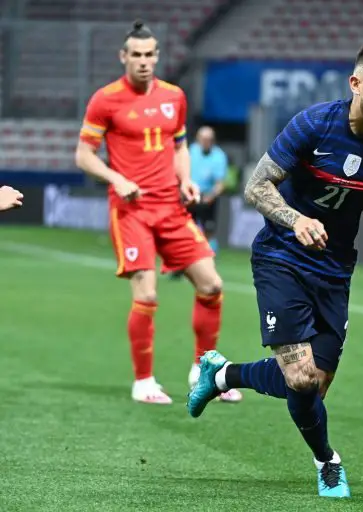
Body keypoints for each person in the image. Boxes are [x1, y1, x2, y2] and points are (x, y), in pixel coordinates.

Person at [187, 42, 363, 498]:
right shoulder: (314, 124)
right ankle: (328, 462)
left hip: (335, 270)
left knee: (315, 388)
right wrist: (296, 220)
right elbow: (256, 187)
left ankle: (223, 375)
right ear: (356, 83)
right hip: (282, 258)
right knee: (301, 378)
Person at [74, 20, 242, 406]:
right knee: (147, 294)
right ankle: (143, 381)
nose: (144, 61)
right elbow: (83, 155)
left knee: (211, 285)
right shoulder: (105, 100)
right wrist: (116, 178)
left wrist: (186, 179)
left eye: (150, 54)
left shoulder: (174, 97)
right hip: (131, 210)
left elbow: (179, 146)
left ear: (157, 56)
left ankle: (203, 371)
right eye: (136, 54)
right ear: (123, 56)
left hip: (171, 207)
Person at [169, 126, 228, 279]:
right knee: (186, 230)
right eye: (203, 139)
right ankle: (181, 265)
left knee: (208, 233)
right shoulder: (191, 151)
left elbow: (220, 183)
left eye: (209, 139)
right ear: (198, 139)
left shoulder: (219, 156)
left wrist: (211, 196)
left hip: (208, 198)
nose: (206, 142)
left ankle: (208, 266)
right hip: (189, 196)